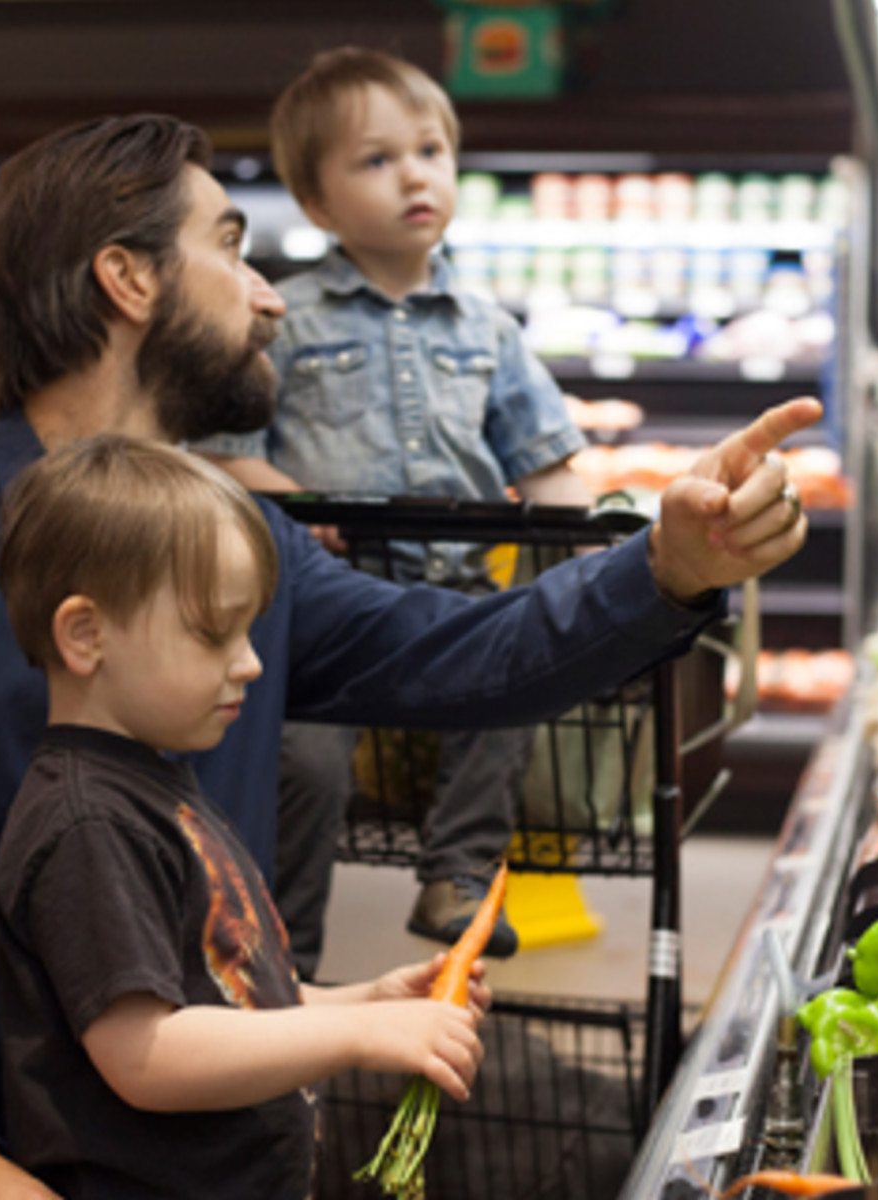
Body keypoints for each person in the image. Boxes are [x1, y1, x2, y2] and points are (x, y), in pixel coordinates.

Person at [0, 111, 816, 1200]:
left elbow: (465, 656)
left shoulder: (247, 555)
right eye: (234, 248)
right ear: (127, 279)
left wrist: (666, 566)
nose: (272, 297)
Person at [0, 434, 487, 1198]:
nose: (251, 661)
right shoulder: (90, 824)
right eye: (213, 632)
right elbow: (146, 1054)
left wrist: (368, 1000)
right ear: (87, 635)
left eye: (249, 630)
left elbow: (228, 995)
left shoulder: (153, 788)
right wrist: (353, 1036)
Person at [193, 48, 592, 970]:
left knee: (511, 688)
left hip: (455, 588)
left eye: (431, 152)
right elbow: (222, 459)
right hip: (322, 599)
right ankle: (283, 951)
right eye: (376, 160)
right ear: (320, 204)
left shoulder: (490, 328)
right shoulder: (282, 320)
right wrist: (297, 504)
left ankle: (456, 875)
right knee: (305, 760)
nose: (414, 174)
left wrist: (597, 546)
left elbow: (551, 464)